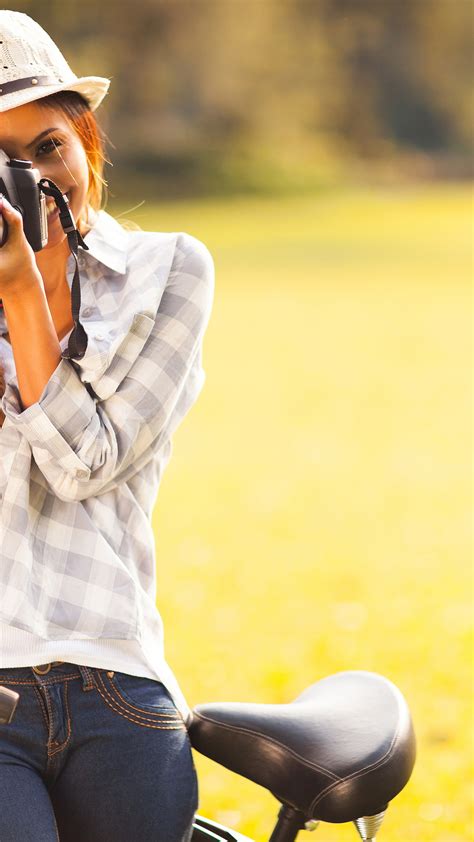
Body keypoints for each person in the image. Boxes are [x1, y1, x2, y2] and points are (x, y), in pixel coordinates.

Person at [0, 11, 214, 842]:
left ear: (87, 140)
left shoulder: (169, 272)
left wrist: (29, 295)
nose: (31, 182)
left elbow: (87, 465)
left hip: (116, 679)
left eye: (47, 148)